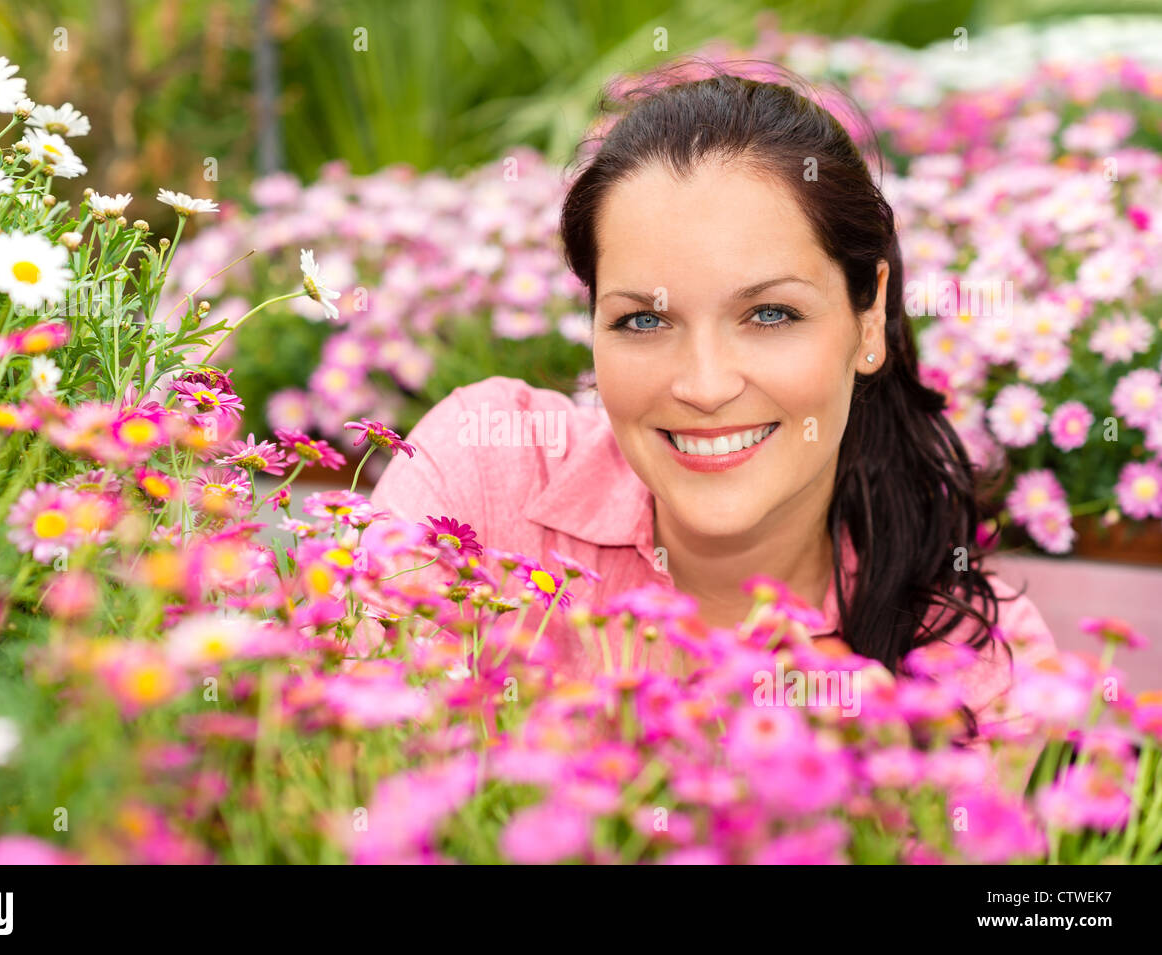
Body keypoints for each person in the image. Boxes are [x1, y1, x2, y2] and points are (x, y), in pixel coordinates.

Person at [367, 65, 1058, 740]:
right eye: (644, 320)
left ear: (868, 317)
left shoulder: (973, 668)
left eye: (770, 314)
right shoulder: (480, 480)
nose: (703, 385)